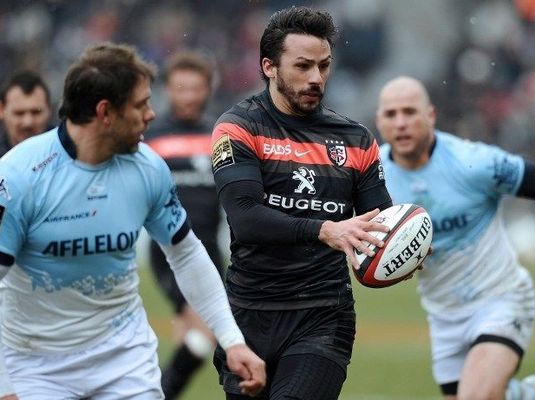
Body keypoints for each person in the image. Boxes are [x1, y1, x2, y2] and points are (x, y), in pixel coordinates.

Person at [0, 42, 265, 400]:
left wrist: (232, 341)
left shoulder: (148, 167)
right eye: (140, 104)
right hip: (35, 367)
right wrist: (6, 385)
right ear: (105, 112)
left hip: (123, 361)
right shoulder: (18, 176)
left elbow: (186, 254)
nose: (151, 114)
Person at [376, 76, 535, 400]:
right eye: (391, 114)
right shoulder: (373, 175)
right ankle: (525, 395)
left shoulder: (474, 163)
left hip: (501, 299)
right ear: (379, 121)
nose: (401, 123)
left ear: (431, 115)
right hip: (443, 315)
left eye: (410, 112)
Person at [210, 6, 394, 400]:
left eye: (324, 66)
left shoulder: (355, 139)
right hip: (248, 316)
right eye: (303, 66)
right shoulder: (239, 128)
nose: (316, 78)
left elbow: (379, 222)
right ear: (269, 66)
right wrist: (325, 230)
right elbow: (245, 219)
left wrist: (399, 247)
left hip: (324, 314)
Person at [144, 50, 224, 399]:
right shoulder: (152, 137)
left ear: (207, 89)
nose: (189, 96)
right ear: (168, 90)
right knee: (206, 334)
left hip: (211, 249)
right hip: (168, 249)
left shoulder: (220, 135)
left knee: (199, 339)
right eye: (182, 88)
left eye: (196, 88)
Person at [0, 70, 53, 155]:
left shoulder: (69, 153)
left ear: (49, 110)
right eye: (19, 113)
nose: (28, 122)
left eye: (36, 112)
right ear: (2, 110)